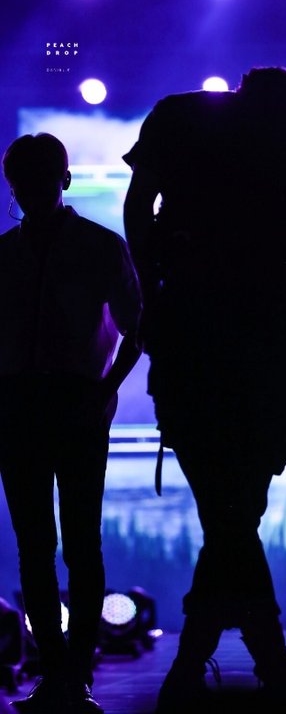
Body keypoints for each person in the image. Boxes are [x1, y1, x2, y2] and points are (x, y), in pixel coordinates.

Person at [123, 66, 286, 711]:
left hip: (189, 333)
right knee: (237, 511)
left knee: (224, 514)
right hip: (260, 339)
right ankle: (266, 661)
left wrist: (151, 291)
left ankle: (199, 663)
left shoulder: (180, 120)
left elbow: (137, 209)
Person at [0, 133, 142, 713]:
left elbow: (138, 330)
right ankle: (69, 676)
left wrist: (101, 391)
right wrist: (103, 391)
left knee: (47, 545)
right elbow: (137, 330)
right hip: (58, 404)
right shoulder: (98, 246)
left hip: (37, 404)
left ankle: (63, 673)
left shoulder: (15, 253)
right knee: (70, 543)